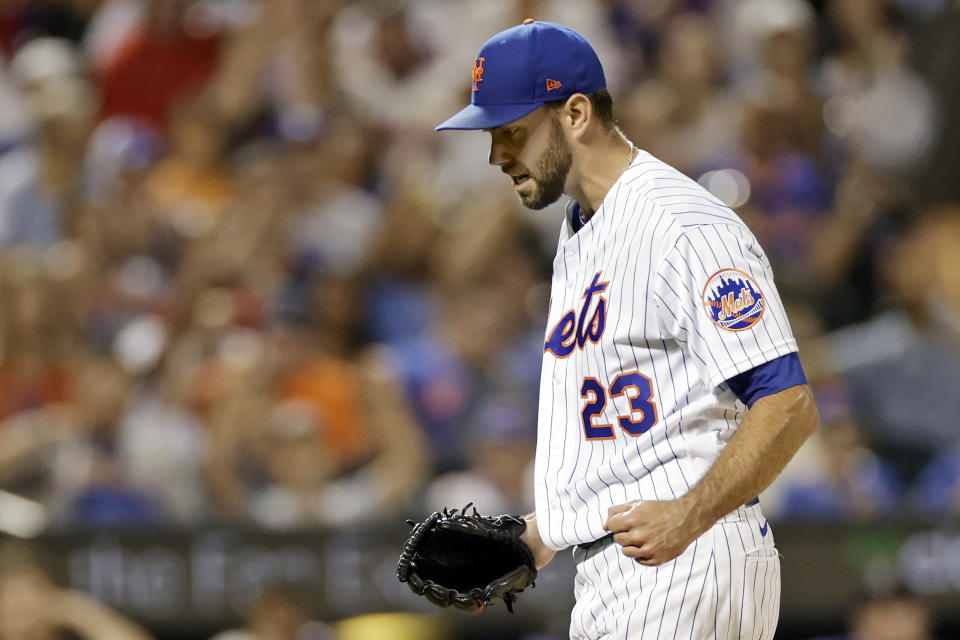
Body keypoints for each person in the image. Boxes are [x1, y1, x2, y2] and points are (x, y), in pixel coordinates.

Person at [434, 20, 819, 639]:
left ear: (577, 113)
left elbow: (789, 402)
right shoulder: (580, 229)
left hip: (686, 563)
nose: (495, 156)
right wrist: (541, 535)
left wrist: (690, 514)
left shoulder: (682, 226)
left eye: (511, 132)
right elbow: (628, 429)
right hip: (634, 569)